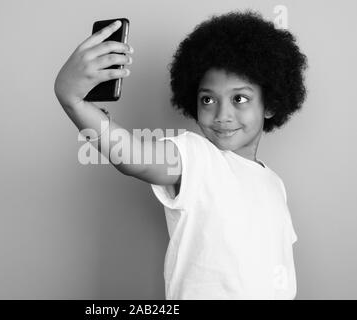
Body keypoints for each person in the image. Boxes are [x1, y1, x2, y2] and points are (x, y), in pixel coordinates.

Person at [54, 9, 308, 299]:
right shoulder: (195, 156)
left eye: (240, 98)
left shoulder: (275, 184)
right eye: (208, 99)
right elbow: (132, 157)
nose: (222, 114)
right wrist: (73, 101)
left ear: (271, 104)